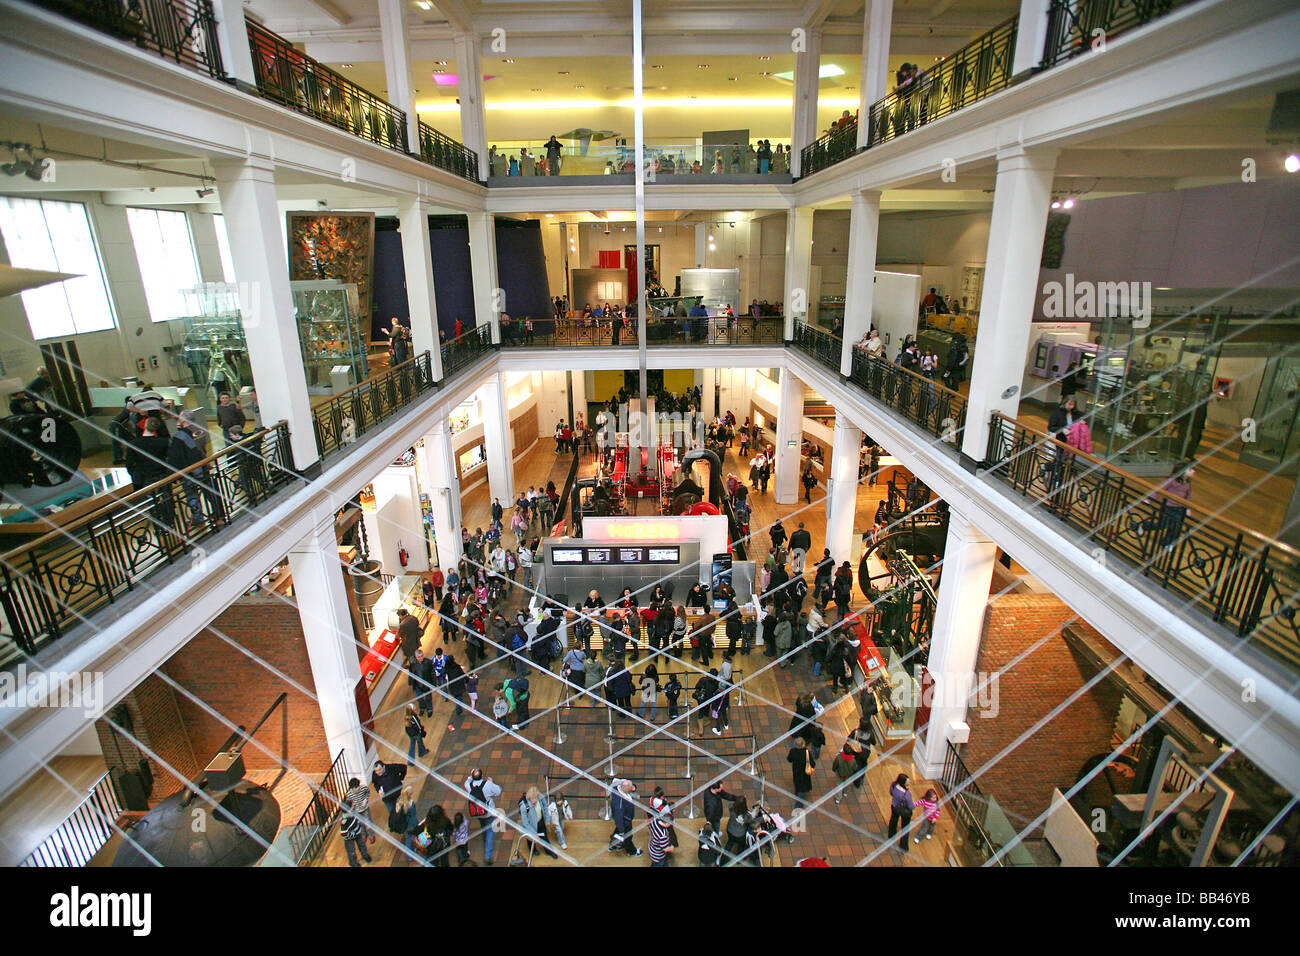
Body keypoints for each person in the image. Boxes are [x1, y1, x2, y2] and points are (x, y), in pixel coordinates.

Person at [466, 768, 502, 865]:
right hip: (489, 812)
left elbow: (468, 780)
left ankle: (485, 838)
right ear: (482, 776)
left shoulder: (468, 785)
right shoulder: (487, 785)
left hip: (477, 813)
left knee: (483, 826)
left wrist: (470, 776)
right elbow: (498, 791)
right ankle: (488, 856)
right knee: (490, 831)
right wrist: (491, 782)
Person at [1156, 460, 1194, 550]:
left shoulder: (1187, 484)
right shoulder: (1172, 481)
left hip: (1179, 508)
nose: (1193, 471)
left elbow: (1188, 496)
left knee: (1176, 527)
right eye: (1190, 469)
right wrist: (1150, 499)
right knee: (1163, 524)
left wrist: (1187, 508)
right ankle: (1145, 526)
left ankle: (1168, 543)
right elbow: (1160, 489)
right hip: (1168, 506)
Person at [340, 777, 373, 866]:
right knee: (351, 851)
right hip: (350, 837)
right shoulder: (344, 820)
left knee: (362, 846)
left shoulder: (353, 814)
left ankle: (365, 855)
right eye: (351, 807)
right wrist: (354, 834)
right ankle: (353, 863)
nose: (353, 806)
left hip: (357, 833)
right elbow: (344, 834)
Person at [519, 786, 559, 859]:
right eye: (532, 798)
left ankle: (549, 851)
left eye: (536, 798)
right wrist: (534, 833)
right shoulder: (524, 806)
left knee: (545, 837)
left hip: (540, 822)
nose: (534, 800)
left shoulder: (540, 797)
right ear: (529, 797)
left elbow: (545, 807)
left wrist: (547, 819)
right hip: (530, 826)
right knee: (531, 840)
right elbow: (525, 822)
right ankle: (533, 850)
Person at [608, 779, 643, 856]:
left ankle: (612, 845)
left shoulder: (617, 787)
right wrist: (622, 831)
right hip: (625, 820)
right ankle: (631, 851)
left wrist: (633, 787)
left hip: (623, 819)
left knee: (618, 830)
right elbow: (618, 818)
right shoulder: (619, 805)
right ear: (626, 790)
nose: (633, 789)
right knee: (628, 836)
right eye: (631, 788)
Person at [888, 773, 915, 852]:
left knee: (893, 819)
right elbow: (910, 806)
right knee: (905, 827)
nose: (909, 783)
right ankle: (903, 846)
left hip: (894, 806)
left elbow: (891, 793)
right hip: (905, 811)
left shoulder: (893, 785)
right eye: (908, 782)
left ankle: (891, 834)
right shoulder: (907, 794)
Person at [788, 736, 814, 812]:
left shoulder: (793, 751)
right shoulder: (807, 753)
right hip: (805, 773)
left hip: (796, 771)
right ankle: (799, 804)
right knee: (802, 787)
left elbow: (789, 759)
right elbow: (813, 763)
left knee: (798, 786)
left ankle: (799, 801)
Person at [391, 785, 420, 851]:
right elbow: (413, 814)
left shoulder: (399, 802)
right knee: (416, 834)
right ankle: (417, 847)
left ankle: (409, 855)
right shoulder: (411, 804)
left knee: (408, 839)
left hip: (404, 824)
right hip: (411, 823)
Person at [724, 795, 751, 861]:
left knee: (729, 843)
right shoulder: (746, 815)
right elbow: (751, 821)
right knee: (741, 846)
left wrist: (739, 800)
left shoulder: (731, 807)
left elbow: (732, 804)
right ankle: (739, 860)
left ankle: (724, 859)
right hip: (740, 834)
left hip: (730, 829)